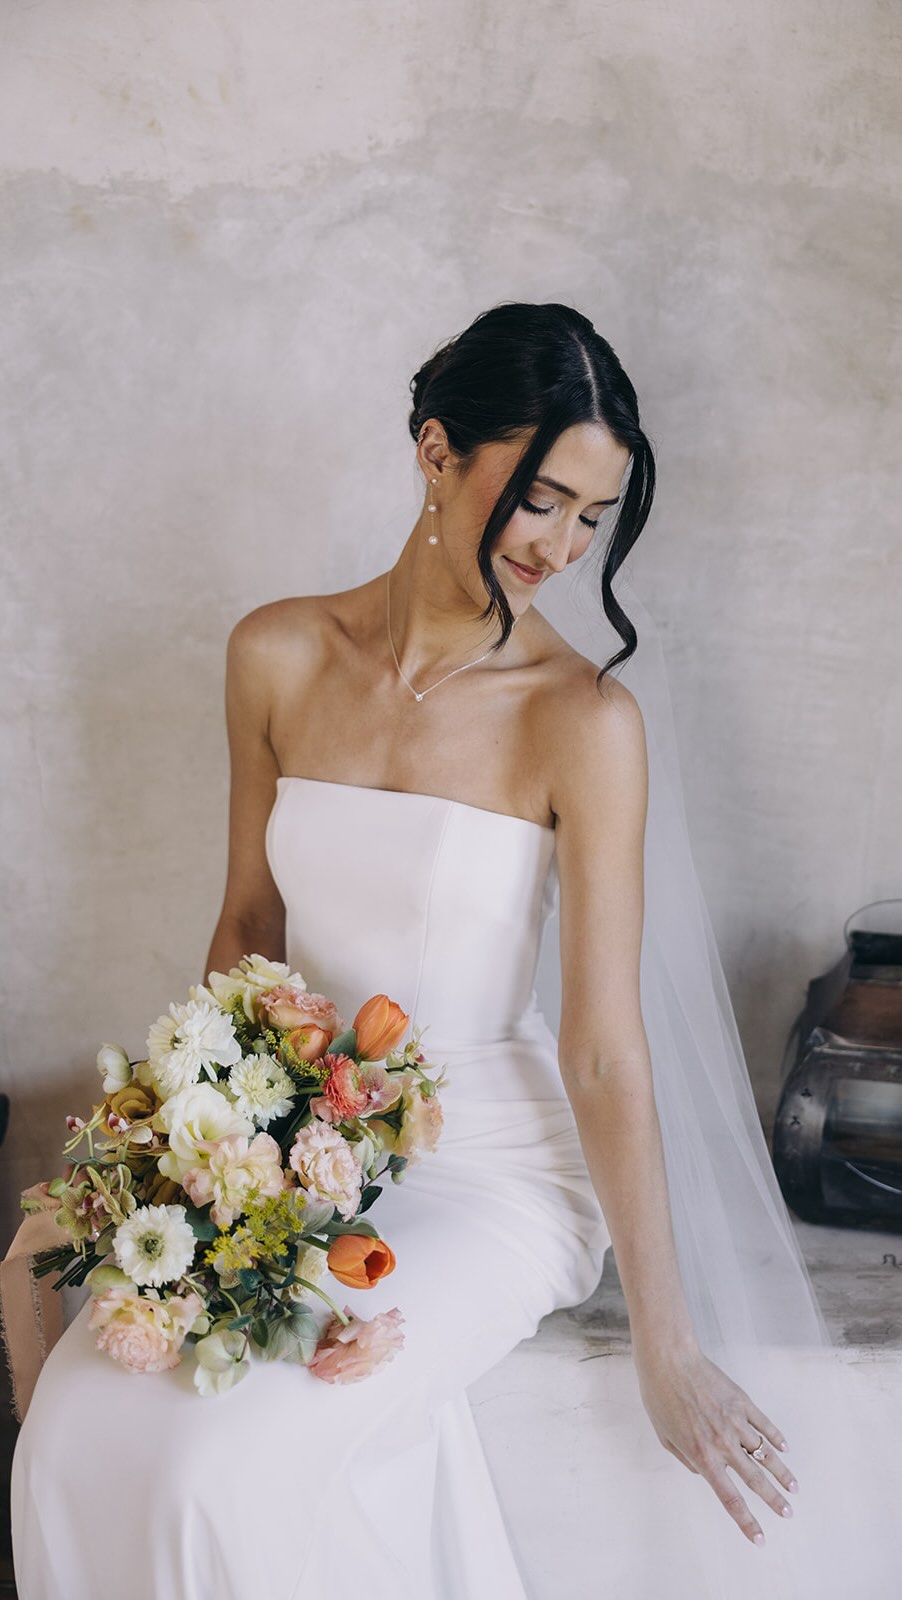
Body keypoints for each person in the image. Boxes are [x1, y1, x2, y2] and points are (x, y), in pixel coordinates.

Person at [10, 301, 901, 1599]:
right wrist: (168, 1158)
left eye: (592, 515)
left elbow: (601, 1045)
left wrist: (666, 1343)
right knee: (79, 1428)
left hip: (491, 1172)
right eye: (541, 498)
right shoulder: (274, 652)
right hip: (293, 1151)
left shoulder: (581, 722)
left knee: (225, 1458)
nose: (563, 545)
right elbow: (247, 935)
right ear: (435, 451)